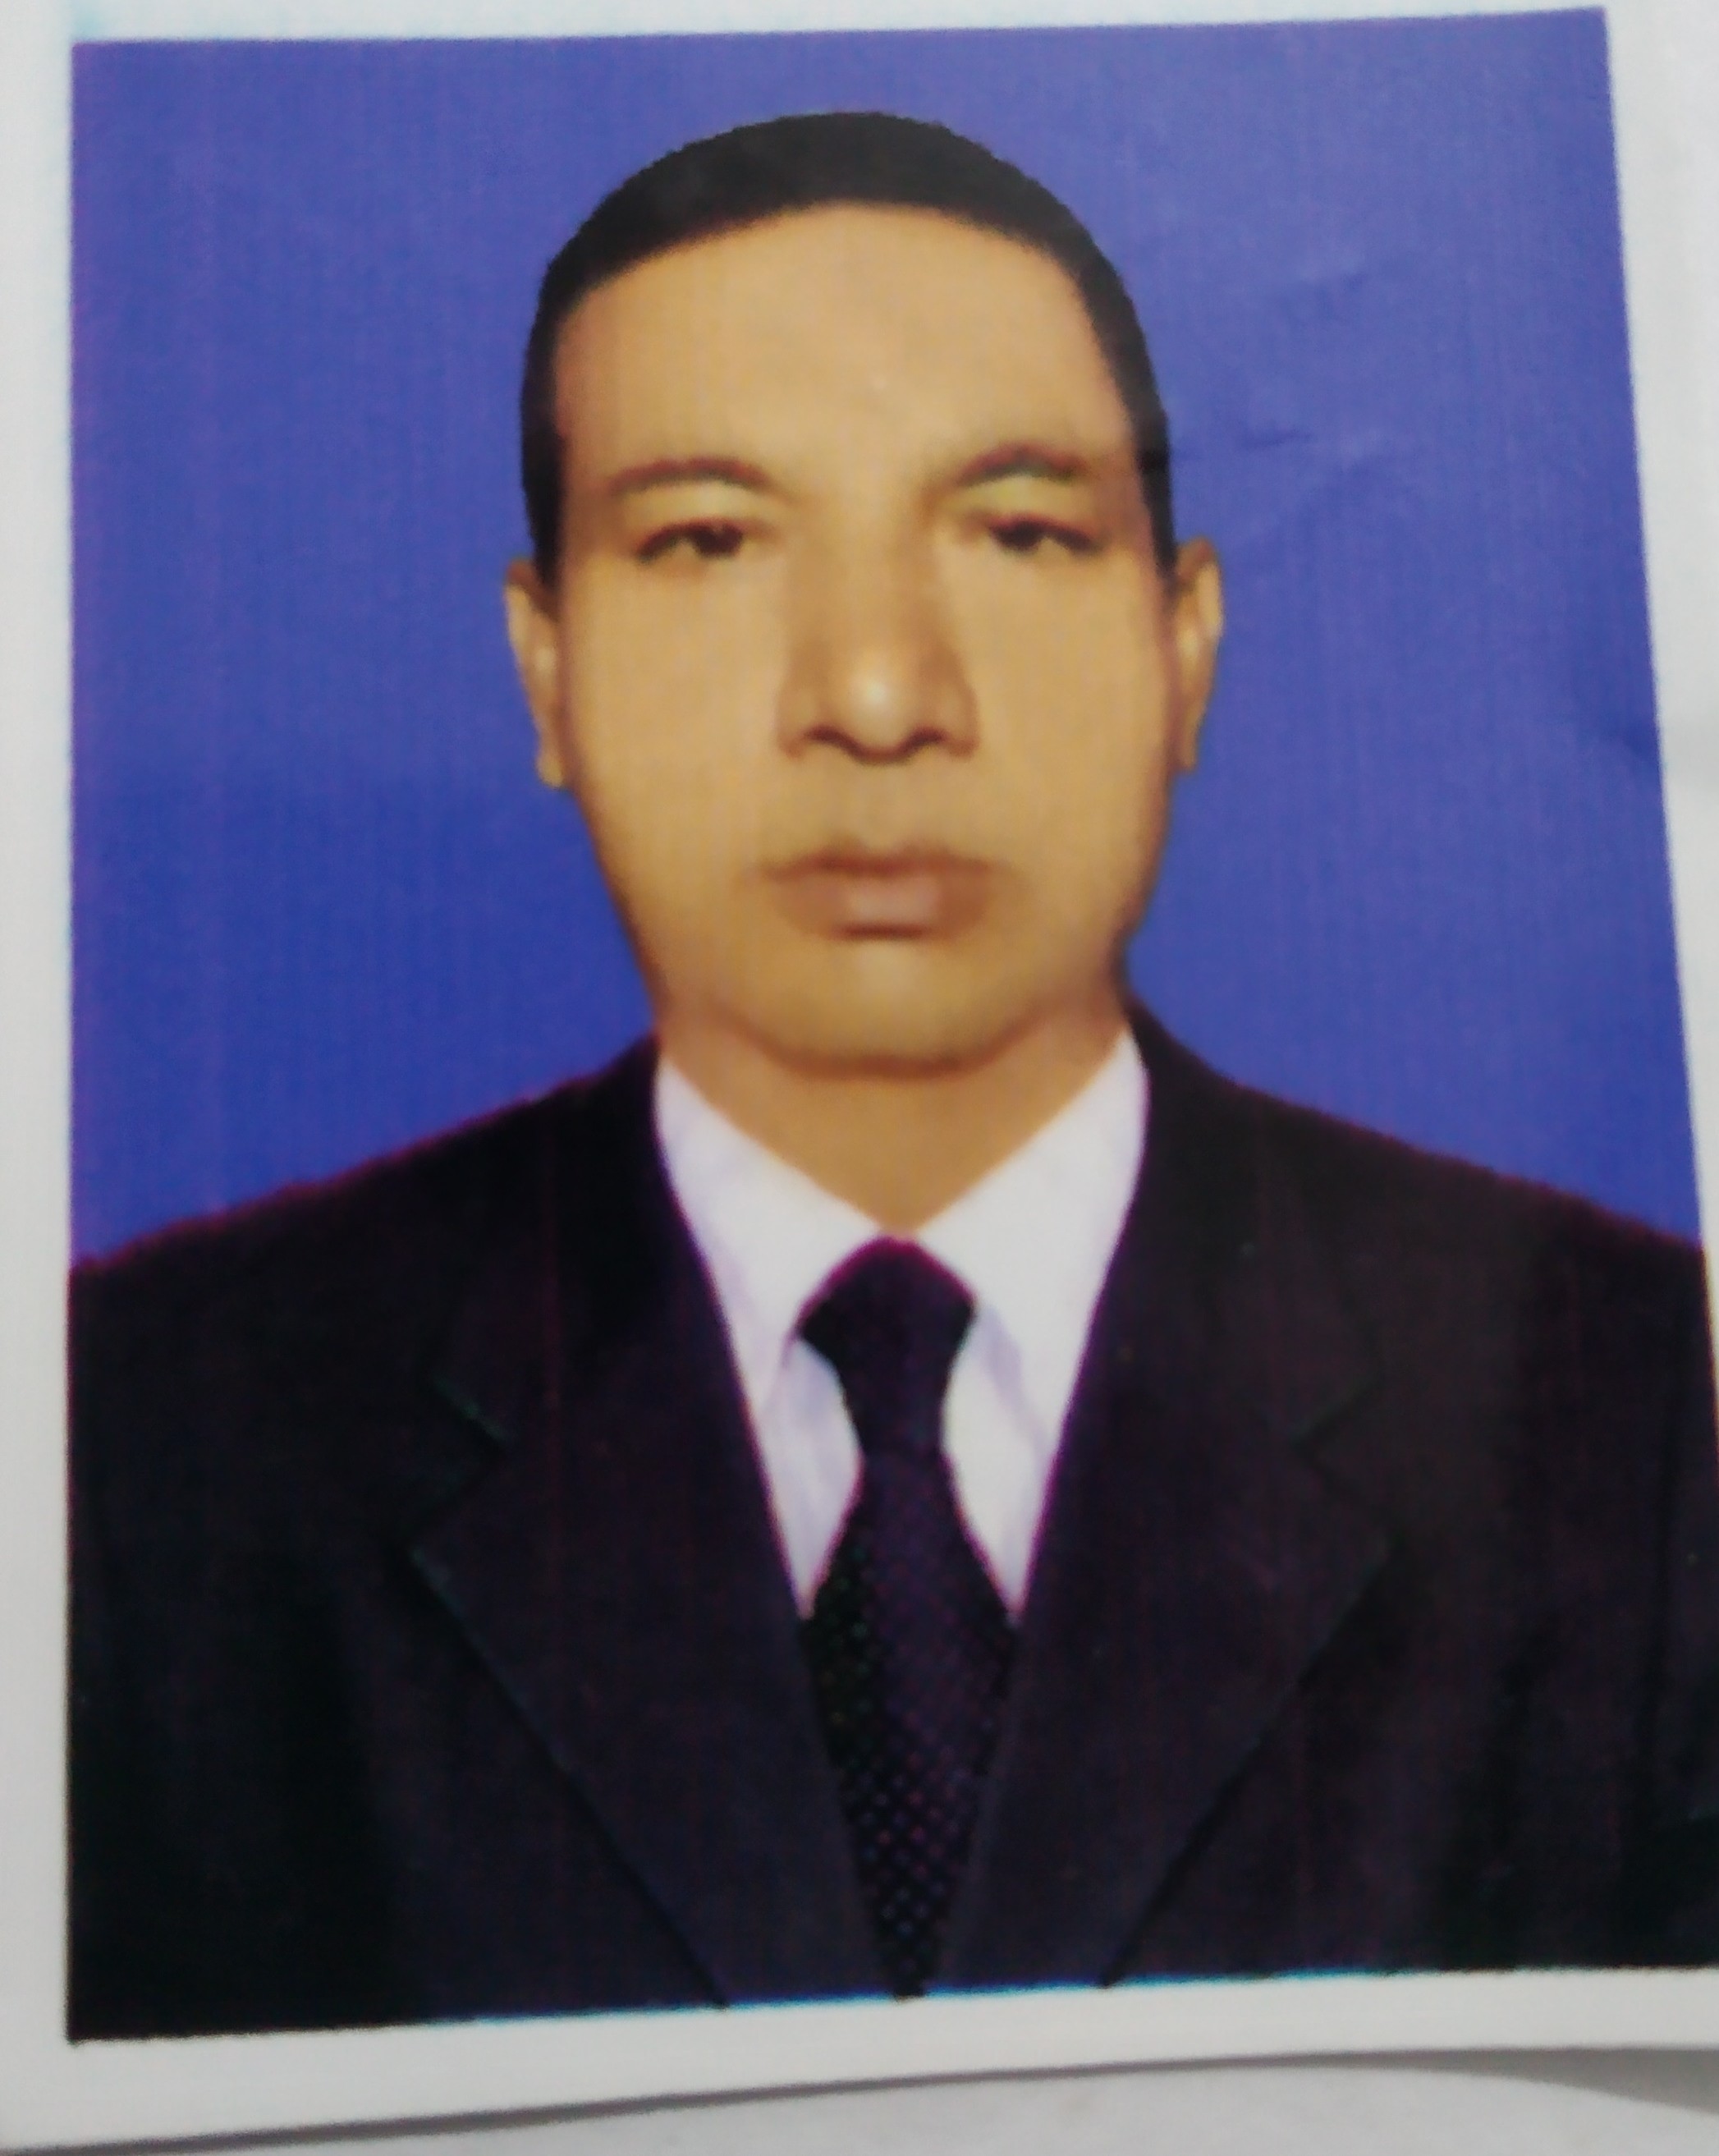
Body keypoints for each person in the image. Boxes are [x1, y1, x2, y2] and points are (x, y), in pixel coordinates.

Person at [68, 112, 1719, 2040]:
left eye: (1019, 532)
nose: (874, 692)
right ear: (547, 669)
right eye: (708, 538)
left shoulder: (1635, 1409)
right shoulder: (146, 1441)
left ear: (1185, 643)